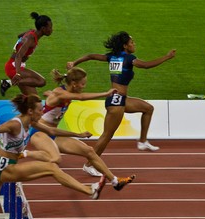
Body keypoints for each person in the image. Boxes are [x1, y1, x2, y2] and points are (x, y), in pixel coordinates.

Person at [0, 94, 106, 205]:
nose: (43, 113)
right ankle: (89, 191)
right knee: (52, 167)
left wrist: (79, 134)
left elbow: (52, 131)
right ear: (30, 111)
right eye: (40, 110)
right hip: (5, 166)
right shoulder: (14, 124)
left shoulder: (31, 121)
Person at [66, 31, 176, 172]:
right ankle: (89, 165)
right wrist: (167, 57)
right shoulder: (129, 58)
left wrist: (75, 62)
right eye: (132, 42)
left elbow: (90, 56)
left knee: (148, 108)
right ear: (125, 46)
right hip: (116, 101)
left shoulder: (112, 57)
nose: (134, 44)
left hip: (119, 99)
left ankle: (142, 141)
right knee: (106, 136)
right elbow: (146, 65)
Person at [33, 67, 136, 189]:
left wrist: (49, 94)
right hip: (41, 133)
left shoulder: (64, 93)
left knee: (89, 151)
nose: (84, 86)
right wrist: (106, 93)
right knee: (54, 162)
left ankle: (115, 181)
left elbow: (57, 96)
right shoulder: (61, 93)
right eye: (82, 84)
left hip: (54, 134)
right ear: (74, 84)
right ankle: (23, 157)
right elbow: (81, 97)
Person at [0, 12, 53, 96]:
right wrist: (18, 73)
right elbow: (18, 56)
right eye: (50, 27)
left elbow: (19, 36)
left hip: (16, 66)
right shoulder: (31, 38)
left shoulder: (32, 33)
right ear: (43, 28)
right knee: (42, 81)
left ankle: (15, 92)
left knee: (33, 99)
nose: (52, 29)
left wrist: (24, 37)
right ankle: (8, 83)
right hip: (14, 67)